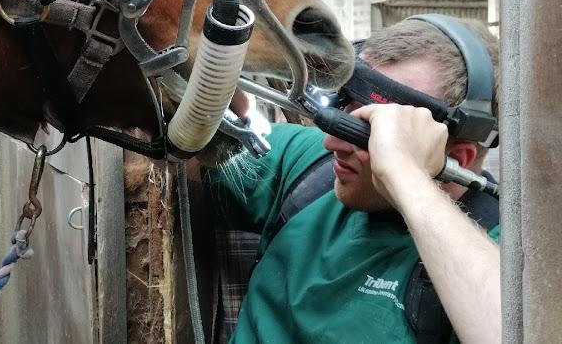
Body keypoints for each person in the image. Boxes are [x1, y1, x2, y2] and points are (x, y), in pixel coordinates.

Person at [204, 17, 500, 343]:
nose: (331, 144)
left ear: (457, 158)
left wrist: (406, 177)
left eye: (369, 133)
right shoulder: (308, 166)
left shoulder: (501, 254)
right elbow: (184, 157)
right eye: (346, 110)